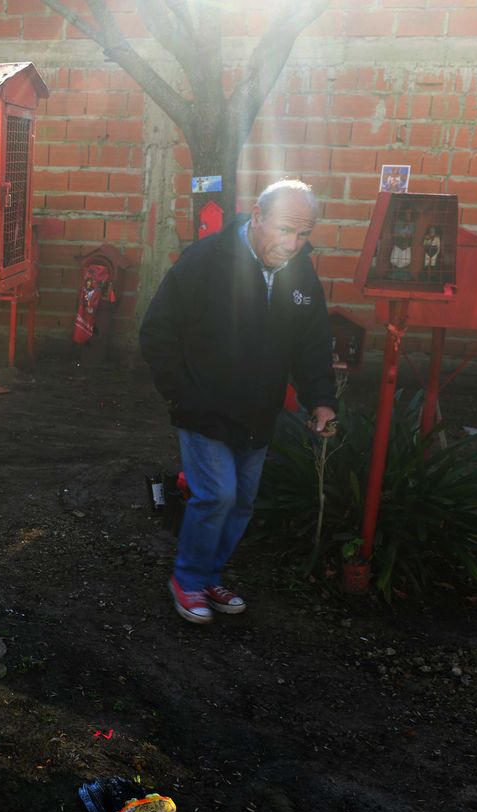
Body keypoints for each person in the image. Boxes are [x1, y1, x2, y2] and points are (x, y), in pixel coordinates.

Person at [139, 179, 337, 624]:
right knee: (216, 495)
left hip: (259, 411)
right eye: (284, 229)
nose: (292, 243)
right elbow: (157, 331)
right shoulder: (207, 261)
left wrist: (320, 399)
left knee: (243, 501)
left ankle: (210, 575)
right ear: (257, 217)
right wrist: (181, 393)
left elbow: (312, 343)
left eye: (303, 234)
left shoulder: (301, 273)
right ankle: (187, 581)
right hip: (203, 408)